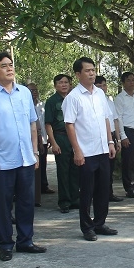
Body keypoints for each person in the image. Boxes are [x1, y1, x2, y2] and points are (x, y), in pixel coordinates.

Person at [0, 52, 45, 261]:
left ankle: (26, 241)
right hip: (1, 160)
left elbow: (32, 124)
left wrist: (34, 152)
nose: (9, 68)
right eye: (3, 66)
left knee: (26, 202)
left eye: (11, 65)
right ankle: (5, 244)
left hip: (25, 158)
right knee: (3, 205)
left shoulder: (23, 92)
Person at [63, 57, 118, 241]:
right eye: (87, 70)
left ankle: (100, 222)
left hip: (102, 149)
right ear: (78, 74)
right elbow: (69, 125)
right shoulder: (73, 98)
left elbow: (106, 119)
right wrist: (77, 150)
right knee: (87, 191)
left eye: (93, 70)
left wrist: (110, 142)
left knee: (103, 189)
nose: (92, 73)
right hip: (86, 152)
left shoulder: (100, 94)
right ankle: (87, 227)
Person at [44, 74, 80, 213]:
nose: (64, 85)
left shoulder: (73, 99)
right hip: (60, 138)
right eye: (60, 82)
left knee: (76, 169)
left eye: (66, 82)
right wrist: (53, 143)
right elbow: (48, 124)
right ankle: (64, 201)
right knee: (63, 171)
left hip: (75, 137)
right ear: (55, 85)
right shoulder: (52, 101)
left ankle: (75, 199)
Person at [94, 75, 124, 202]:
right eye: (99, 86)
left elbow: (115, 121)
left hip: (111, 137)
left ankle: (109, 193)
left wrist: (118, 139)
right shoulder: (93, 101)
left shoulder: (110, 103)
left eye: (104, 85)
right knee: (98, 169)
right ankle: (97, 195)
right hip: (98, 137)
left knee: (109, 168)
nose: (102, 88)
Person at [27, 82, 54, 196]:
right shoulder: (25, 105)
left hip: (43, 138)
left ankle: (44, 185)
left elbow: (46, 122)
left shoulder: (42, 105)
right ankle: (33, 189)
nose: (34, 93)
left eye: (35, 90)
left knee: (43, 163)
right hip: (31, 141)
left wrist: (49, 137)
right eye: (31, 91)